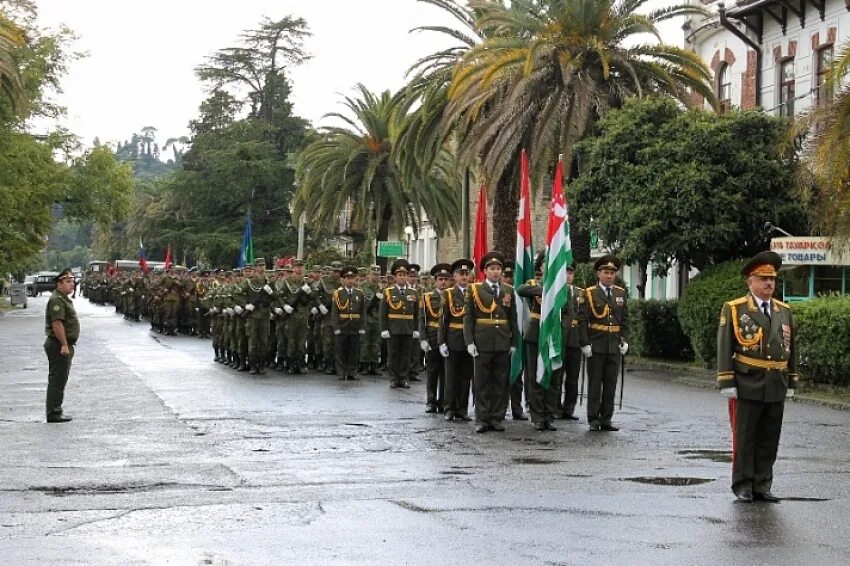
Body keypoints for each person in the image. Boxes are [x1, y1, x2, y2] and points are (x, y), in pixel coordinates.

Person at [717, 251, 797, 503]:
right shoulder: (735, 309)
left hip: (775, 382)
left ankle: (762, 483)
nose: (769, 284)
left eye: (772, 279)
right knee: (746, 435)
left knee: (769, 437)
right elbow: (724, 346)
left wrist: (792, 380)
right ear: (750, 281)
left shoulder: (784, 311)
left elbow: (792, 347)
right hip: (747, 380)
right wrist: (726, 380)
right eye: (763, 278)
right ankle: (743, 484)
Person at [464, 252, 518, 433]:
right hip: (482, 342)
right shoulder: (475, 290)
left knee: (500, 381)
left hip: (502, 341)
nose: (496, 272)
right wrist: (469, 341)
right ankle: (482, 418)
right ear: (485, 271)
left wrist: (513, 342)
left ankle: (497, 417)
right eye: (492, 269)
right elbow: (468, 317)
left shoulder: (508, 290)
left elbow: (513, 318)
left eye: (498, 269)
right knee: (481, 382)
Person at [581, 255, 628, 432]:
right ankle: (593, 418)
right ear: (598, 274)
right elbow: (583, 319)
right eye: (606, 272)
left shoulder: (620, 293)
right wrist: (584, 343)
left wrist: (625, 340)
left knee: (610, 384)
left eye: (612, 273)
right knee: (595, 384)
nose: (609, 276)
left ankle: (606, 418)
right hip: (596, 345)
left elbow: (625, 320)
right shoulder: (590, 293)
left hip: (613, 345)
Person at [438, 258, 475, 422]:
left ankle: (462, 409)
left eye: (467, 273)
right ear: (454, 276)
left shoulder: (475, 292)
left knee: (466, 376)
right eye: (461, 274)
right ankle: (449, 409)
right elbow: (443, 320)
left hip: (470, 341)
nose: (464, 277)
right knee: (451, 377)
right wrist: (442, 342)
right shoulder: (448, 294)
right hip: (453, 339)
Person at [44, 269, 79, 423]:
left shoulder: (62, 298)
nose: (72, 284)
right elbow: (57, 324)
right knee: (57, 380)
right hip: (58, 344)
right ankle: (54, 412)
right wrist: (64, 344)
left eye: (72, 281)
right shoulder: (57, 300)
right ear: (59, 284)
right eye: (68, 281)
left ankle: (55, 410)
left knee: (60, 379)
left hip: (62, 344)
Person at [379, 259, 419, 388]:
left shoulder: (413, 292)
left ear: (407, 276)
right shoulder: (388, 292)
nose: (402, 277)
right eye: (399, 275)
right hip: (393, 328)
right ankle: (394, 378)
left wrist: (416, 329)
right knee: (394, 354)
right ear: (395, 277)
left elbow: (417, 313)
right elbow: (383, 312)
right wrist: (384, 328)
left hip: (408, 328)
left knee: (406, 355)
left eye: (404, 275)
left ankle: (403, 378)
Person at [420, 263, 451, 413]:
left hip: (448, 338)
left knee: (447, 372)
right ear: (435, 281)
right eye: (440, 279)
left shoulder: (452, 296)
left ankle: (443, 401)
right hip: (432, 337)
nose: (443, 282)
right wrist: (423, 339)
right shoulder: (427, 297)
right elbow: (422, 319)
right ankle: (431, 401)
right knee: (432, 371)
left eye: (446, 279)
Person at [331, 266, 367, 380]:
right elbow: (335, 312)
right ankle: (341, 372)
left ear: (356, 279)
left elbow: (363, 312)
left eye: (352, 278)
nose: (350, 280)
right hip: (343, 325)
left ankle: (352, 372)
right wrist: (336, 327)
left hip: (355, 325)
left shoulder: (359, 293)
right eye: (348, 278)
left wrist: (362, 326)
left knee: (354, 350)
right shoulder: (338, 293)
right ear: (343, 280)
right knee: (341, 350)